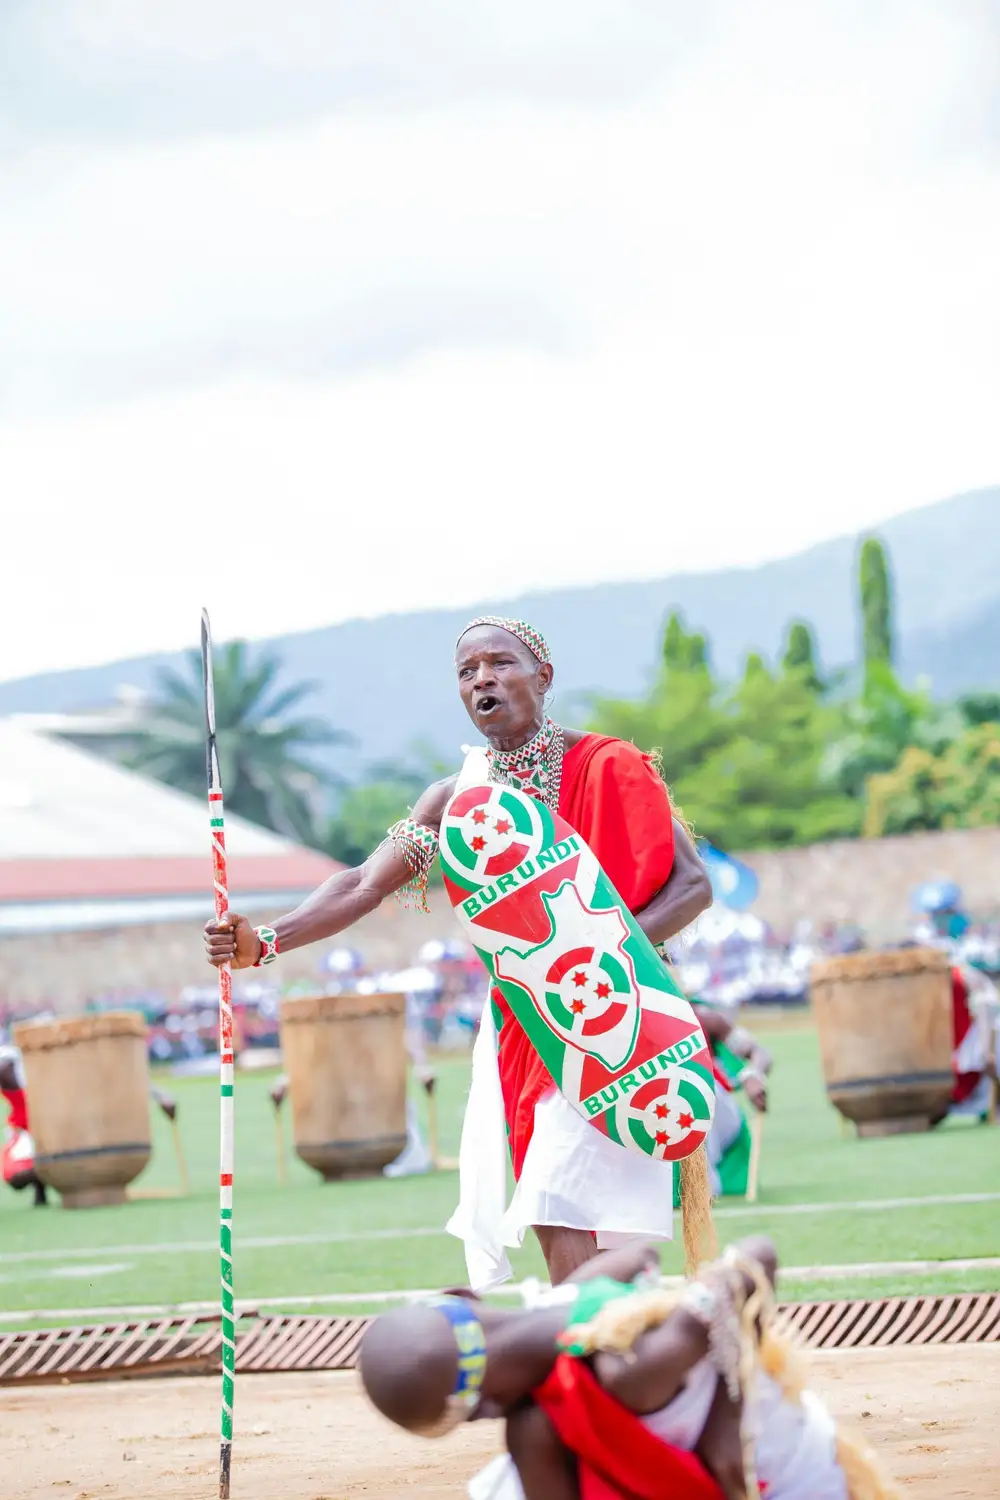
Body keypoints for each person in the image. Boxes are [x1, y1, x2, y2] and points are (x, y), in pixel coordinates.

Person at [206, 616, 714, 1286]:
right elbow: (363, 882)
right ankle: (614, 1353)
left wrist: (599, 955)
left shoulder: (610, 765)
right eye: (467, 671)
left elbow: (693, 885)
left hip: (619, 1009)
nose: (482, 680)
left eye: (500, 663)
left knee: (568, 1195)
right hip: (529, 1026)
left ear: (543, 676)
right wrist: (266, 940)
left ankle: (603, 1355)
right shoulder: (454, 800)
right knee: (558, 1202)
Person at [357, 1235, 897, 1500]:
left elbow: (757, 1256)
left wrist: (730, 1416)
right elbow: (649, 1256)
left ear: (485, 1409)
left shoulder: (625, 1374)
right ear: (463, 1293)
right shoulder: (589, 1292)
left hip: (795, 1484)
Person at [0, 1044, 46, 1206]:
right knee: (15, 1174)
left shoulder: (31, 1085)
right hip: (22, 1131)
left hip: (36, 1130)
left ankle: (42, 1188)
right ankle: (41, 1186)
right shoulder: (15, 1089)